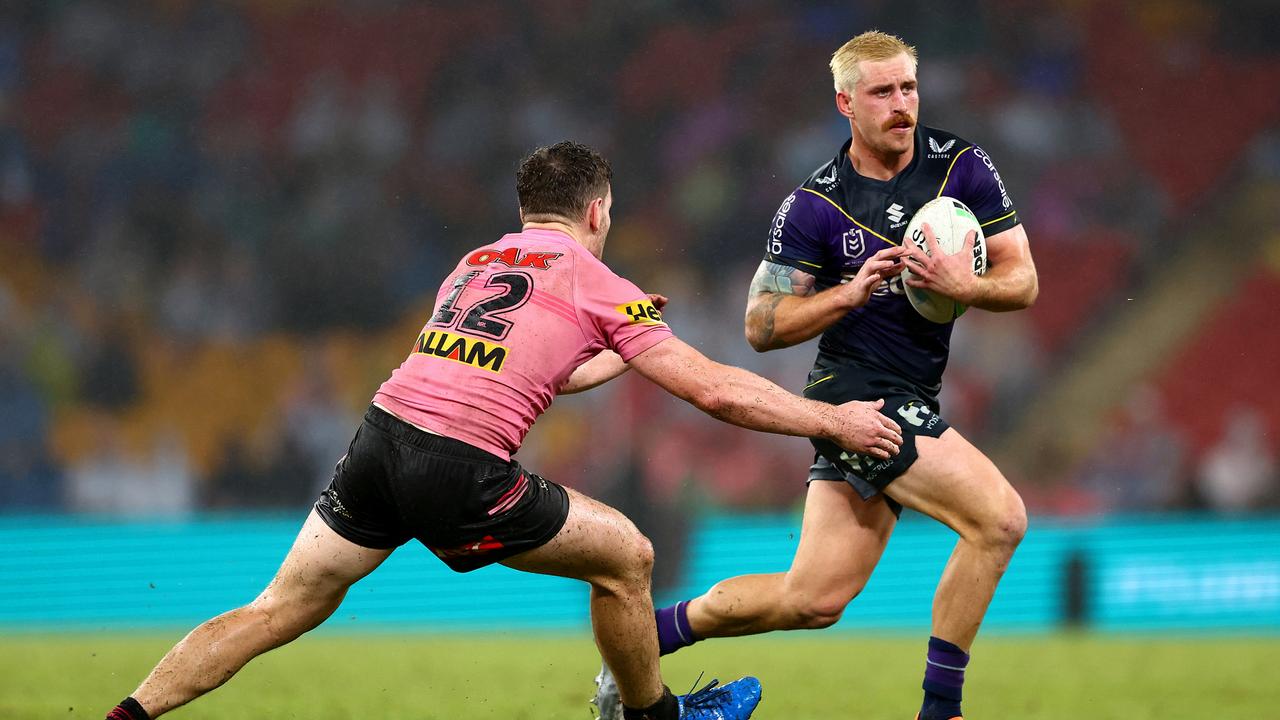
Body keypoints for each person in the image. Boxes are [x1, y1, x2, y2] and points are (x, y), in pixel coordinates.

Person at [105, 141, 906, 720]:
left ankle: (129, 715)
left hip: (380, 441)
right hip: (457, 466)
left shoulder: (478, 262)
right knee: (629, 557)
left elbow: (530, 370)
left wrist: (624, 351)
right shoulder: (596, 279)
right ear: (598, 212)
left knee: (276, 608)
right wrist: (831, 418)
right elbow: (717, 393)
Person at [596, 31, 1038, 720]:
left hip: (913, 391)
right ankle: (940, 710)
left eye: (909, 88)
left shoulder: (962, 167)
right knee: (1000, 521)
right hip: (855, 395)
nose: (901, 104)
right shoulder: (816, 206)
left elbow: (1023, 279)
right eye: (882, 92)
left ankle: (645, 639)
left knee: (814, 598)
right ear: (845, 102)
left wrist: (965, 284)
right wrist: (845, 294)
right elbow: (761, 324)